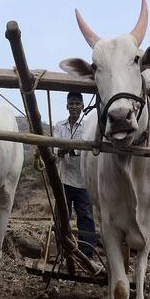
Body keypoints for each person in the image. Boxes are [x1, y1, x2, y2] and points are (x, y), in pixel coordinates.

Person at [53, 92, 98, 257]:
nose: (74, 107)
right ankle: (62, 250)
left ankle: (87, 252)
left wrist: (69, 148)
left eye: (77, 104)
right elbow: (55, 148)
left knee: (85, 217)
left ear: (82, 106)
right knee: (62, 216)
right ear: (66, 106)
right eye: (71, 104)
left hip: (82, 181)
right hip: (63, 179)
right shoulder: (59, 126)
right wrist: (64, 149)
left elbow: (85, 149)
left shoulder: (87, 127)